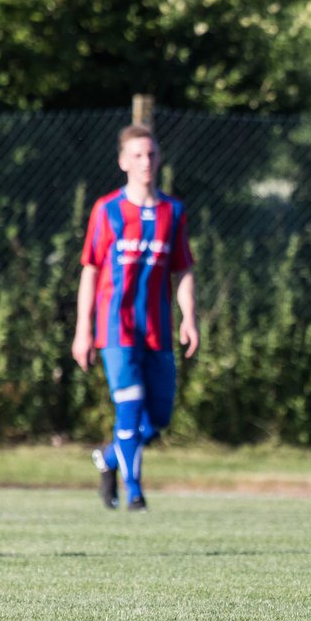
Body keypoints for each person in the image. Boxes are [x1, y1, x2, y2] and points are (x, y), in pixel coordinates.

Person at [72, 124, 198, 512]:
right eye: (138, 155)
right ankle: (135, 492)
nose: (146, 162)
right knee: (128, 405)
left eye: (152, 154)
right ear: (123, 161)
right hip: (116, 329)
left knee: (157, 418)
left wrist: (189, 318)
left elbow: (183, 270)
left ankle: (109, 458)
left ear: (159, 160)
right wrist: (83, 329)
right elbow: (91, 269)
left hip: (157, 330)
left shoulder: (172, 212)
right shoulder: (107, 210)